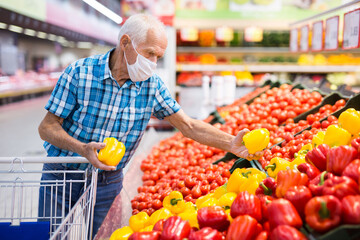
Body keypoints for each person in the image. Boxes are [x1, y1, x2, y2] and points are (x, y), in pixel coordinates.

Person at [37, 13, 262, 238]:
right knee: (51, 235)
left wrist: (230, 143)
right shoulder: (80, 72)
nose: (153, 63)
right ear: (125, 43)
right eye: (150, 53)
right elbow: (47, 127)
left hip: (107, 181)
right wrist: (82, 149)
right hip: (62, 175)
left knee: (101, 237)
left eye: (158, 57)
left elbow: (188, 125)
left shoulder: (151, 86)